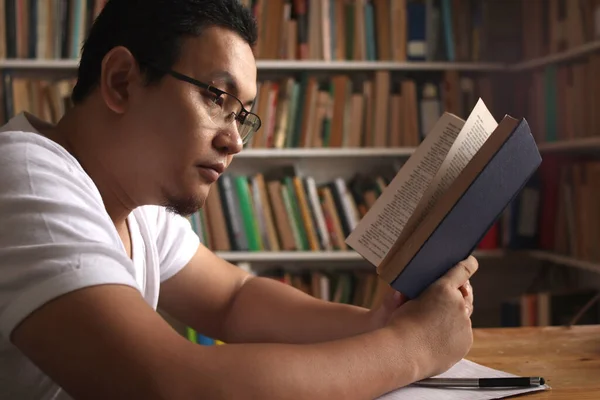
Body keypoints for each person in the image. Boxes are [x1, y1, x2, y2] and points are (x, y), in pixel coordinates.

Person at [0, 1, 478, 399]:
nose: (236, 141)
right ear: (122, 80)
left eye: (243, 115)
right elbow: (174, 387)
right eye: (216, 97)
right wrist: (411, 346)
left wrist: (379, 322)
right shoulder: (25, 180)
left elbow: (235, 300)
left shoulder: (133, 201)